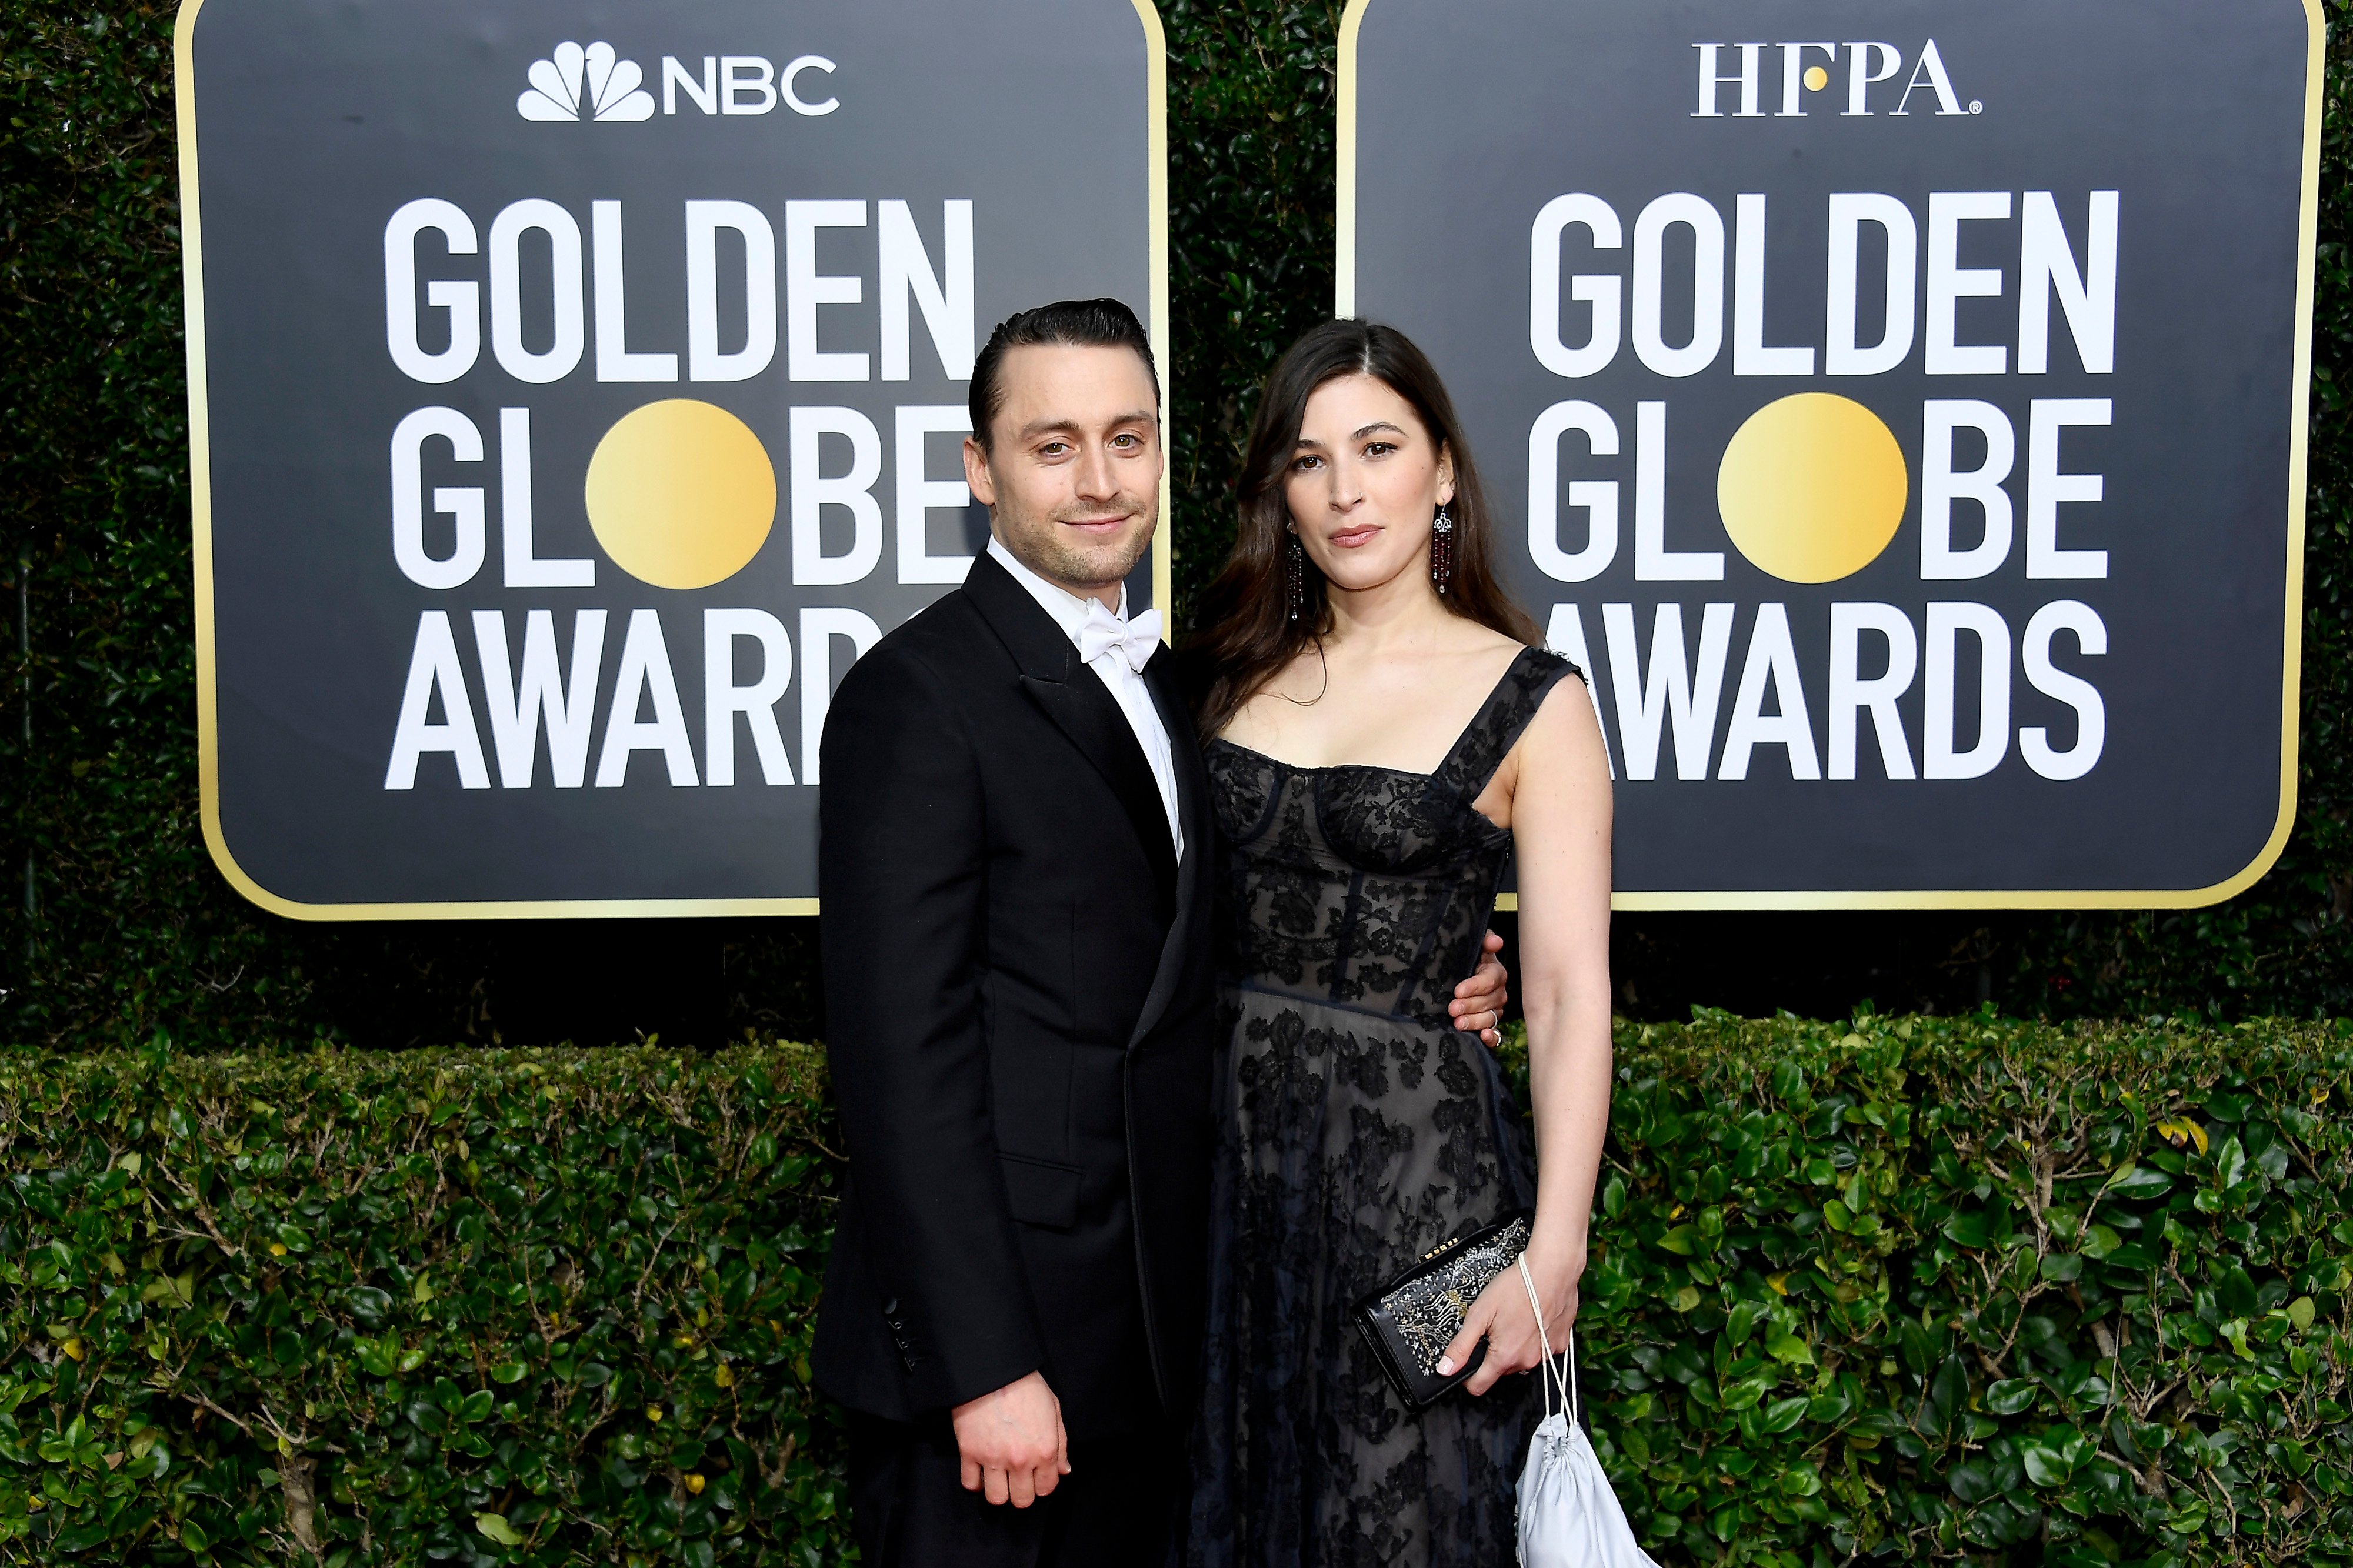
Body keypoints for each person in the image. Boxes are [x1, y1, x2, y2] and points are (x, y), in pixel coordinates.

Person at [811, 299, 1512, 1567]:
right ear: (980, 469)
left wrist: (1436, 967)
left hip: (1165, 1343)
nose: (1098, 480)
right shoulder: (914, 697)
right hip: (1001, 1374)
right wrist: (987, 1369)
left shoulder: (1184, 684)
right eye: (1052, 444)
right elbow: (894, 1065)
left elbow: (1252, 920)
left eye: (1126, 439)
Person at [1180, 319, 1616, 1567]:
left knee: (1407, 1518)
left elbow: (1568, 988)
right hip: (1225, 1183)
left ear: (1440, 472)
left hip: (1425, 1202)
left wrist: (1555, 1251)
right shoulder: (1218, 673)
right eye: (1308, 460)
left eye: (1376, 447)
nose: (1344, 487)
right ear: (1281, 493)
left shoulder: (1535, 697)